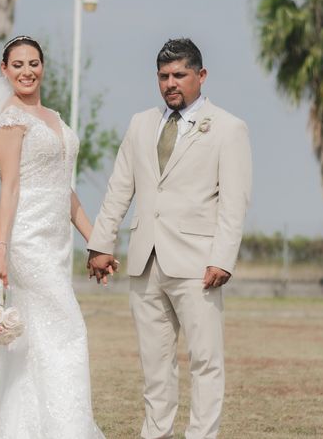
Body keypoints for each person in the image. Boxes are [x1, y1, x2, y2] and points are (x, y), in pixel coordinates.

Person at [86, 38, 252, 439]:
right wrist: (100, 244)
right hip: (145, 262)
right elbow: (119, 188)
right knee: (154, 365)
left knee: (205, 361)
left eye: (179, 75)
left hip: (199, 265)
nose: (171, 83)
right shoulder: (141, 124)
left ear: (201, 76)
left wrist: (223, 258)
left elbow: (235, 202)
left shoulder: (228, 128)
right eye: (164, 76)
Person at [0, 35, 106, 438]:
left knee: (39, 342)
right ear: (4, 70)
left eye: (33, 63)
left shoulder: (53, 116)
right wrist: (0, 251)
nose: (26, 71)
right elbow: (10, 186)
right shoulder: (10, 119)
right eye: (17, 65)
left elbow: (64, 190)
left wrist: (96, 240)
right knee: (68, 329)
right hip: (28, 241)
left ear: (43, 66)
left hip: (57, 243)